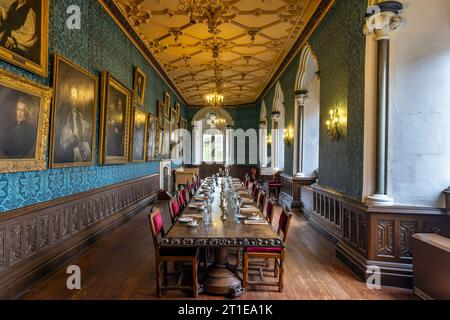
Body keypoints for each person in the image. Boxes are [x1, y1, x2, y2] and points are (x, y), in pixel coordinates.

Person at [57, 86, 92, 163]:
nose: (74, 95)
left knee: (87, 147)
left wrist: (86, 124)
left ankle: (86, 165)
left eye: (76, 93)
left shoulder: (77, 108)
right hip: (67, 135)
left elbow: (81, 119)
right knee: (75, 149)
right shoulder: (65, 106)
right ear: (70, 94)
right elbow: (61, 119)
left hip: (77, 136)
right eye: (73, 93)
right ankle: (78, 166)